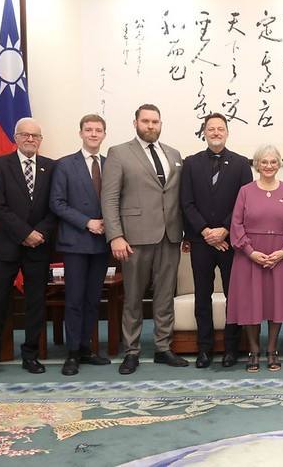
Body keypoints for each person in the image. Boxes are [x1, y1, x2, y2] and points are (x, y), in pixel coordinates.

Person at [101, 104, 188, 374]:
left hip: (170, 236)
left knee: (164, 296)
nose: (151, 126)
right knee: (133, 297)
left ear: (161, 124)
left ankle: (163, 347)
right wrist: (115, 235)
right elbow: (110, 197)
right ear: (135, 122)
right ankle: (132, 350)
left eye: (155, 122)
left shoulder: (173, 154)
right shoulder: (119, 153)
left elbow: (177, 196)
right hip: (134, 238)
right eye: (146, 121)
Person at [0, 118, 56, 382]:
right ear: (16, 138)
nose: (30, 139)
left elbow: (56, 206)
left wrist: (38, 234)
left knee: (35, 303)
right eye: (25, 135)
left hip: (39, 246)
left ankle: (30, 355)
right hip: (5, 246)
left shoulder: (51, 168)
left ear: (41, 140)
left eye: (35, 136)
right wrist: (24, 233)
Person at [180, 112, 252, 369]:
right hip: (201, 242)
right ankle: (204, 348)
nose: (216, 133)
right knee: (203, 295)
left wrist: (223, 229)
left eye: (220, 128)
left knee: (235, 295)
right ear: (204, 132)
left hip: (231, 242)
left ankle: (232, 349)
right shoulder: (191, 163)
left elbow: (245, 204)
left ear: (227, 132)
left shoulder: (242, 164)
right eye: (211, 129)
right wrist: (206, 232)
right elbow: (186, 202)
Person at [226, 145, 283, 372]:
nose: (268, 166)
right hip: (250, 257)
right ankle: (254, 351)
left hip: (280, 256)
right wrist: (251, 252)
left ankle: (272, 349)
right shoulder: (245, 191)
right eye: (264, 162)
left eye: (273, 162)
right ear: (257, 165)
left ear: (279, 164)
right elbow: (236, 224)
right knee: (251, 304)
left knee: (276, 302)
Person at [49, 114, 112, 376]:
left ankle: (86, 348)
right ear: (81, 133)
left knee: (92, 299)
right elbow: (57, 203)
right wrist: (88, 222)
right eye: (89, 130)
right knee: (74, 298)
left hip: (102, 244)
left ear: (104, 134)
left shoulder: (111, 165)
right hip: (76, 241)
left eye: (98, 130)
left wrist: (110, 224)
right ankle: (72, 352)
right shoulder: (65, 165)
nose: (94, 134)